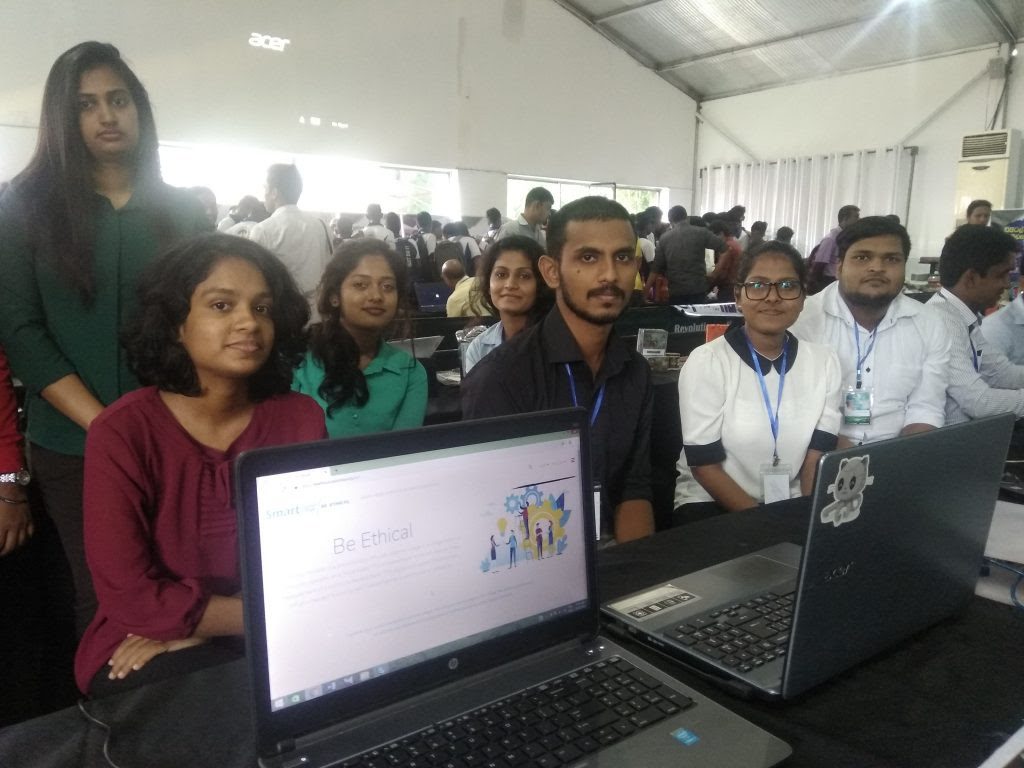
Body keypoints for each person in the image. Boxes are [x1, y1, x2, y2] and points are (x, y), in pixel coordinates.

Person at [0, 42, 210, 634]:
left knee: (187, 582)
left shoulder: (183, 212)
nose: (106, 115)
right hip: (73, 445)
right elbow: (20, 330)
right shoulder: (23, 208)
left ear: (138, 108)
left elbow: (201, 323)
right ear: (63, 120)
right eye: (86, 105)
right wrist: (107, 426)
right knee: (105, 600)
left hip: (178, 434)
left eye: (118, 100)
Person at [75, 234, 327, 696]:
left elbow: (316, 558)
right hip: (142, 642)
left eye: (262, 308)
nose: (249, 322)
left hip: (283, 628)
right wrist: (230, 621)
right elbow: (132, 596)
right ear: (175, 323)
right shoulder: (122, 432)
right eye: (221, 305)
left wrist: (206, 626)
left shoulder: (300, 418)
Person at [463, 197, 655, 543]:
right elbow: (493, 512)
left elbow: (634, 488)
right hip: (530, 550)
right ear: (551, 272)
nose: (610, 275)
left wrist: (638, 568)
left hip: (615, 550)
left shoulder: (635, 371)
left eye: (623, 257)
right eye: (588, 257)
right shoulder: (501, 378)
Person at [675, 242, 842, 520]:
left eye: (787, 286)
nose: (772, 297)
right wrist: (765, 525)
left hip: (790, 498)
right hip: (710, 499)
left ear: (803, 298)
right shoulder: (707, 362)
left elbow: (816, 458)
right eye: (758, 285)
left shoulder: (825, 362)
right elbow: (704, 467)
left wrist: (808, 517)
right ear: (738, 297)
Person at [790, 216, 949, 445]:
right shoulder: (803, 320)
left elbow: (926, 408)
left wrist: (905, 455)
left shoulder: (929, 323)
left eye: (891, 259)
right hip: (821, 450)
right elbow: (798, 410)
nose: (877, 268)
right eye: (862, 257)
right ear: (839, 267)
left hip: (898, 450)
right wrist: (853, 460)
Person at [293, 239, 427, 438]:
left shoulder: (410, 372)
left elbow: (402, 449)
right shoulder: (299, 362)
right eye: (360, 285)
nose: (376, 296)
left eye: (388, 286)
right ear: (334, 296)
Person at [923, 225, 1024, 424]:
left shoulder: (964, 317)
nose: (1007, 284)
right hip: (948, 440)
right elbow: (979, 402)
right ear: (971, 278)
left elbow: (1002, 374)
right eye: (1001, 275)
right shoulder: (940, 321)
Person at [247, 163, 332, 311]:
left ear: (274, 193)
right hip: (319, 313)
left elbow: (251, 278)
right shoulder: (322, 225)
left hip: (282, 314)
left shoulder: (263, 230)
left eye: (265, 188)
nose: (263, 195)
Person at [463, 236, 552, 373]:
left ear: (540, 285)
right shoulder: (479, 348)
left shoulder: (556, 341)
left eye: (524, 276)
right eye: (501, 274)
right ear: (488, 284)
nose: (510, 285)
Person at [648, 205, 726, 304]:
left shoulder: (664, 238)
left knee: (678, 314)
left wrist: (645, 293)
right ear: (687, 218)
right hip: (698, 289)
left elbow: (655, 269)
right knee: (697, 313)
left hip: (676, 290)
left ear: (670, 221)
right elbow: (726, 250)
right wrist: (715, 274)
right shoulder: (701, 233)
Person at [808, 205, 860, 294]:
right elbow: (820, 264)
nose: (858, 220)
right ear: (845, 219)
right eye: (856, 217)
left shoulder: (848, 237)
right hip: (829, 281)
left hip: (843, 279)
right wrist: (816, 285)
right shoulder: (831, 239)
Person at [707, 219, 743, 302]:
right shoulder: (734, 243)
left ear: (721, 233)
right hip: (735, 285)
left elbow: (721, 271)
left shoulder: (726, 247)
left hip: (728, 287)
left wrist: (707, 286)